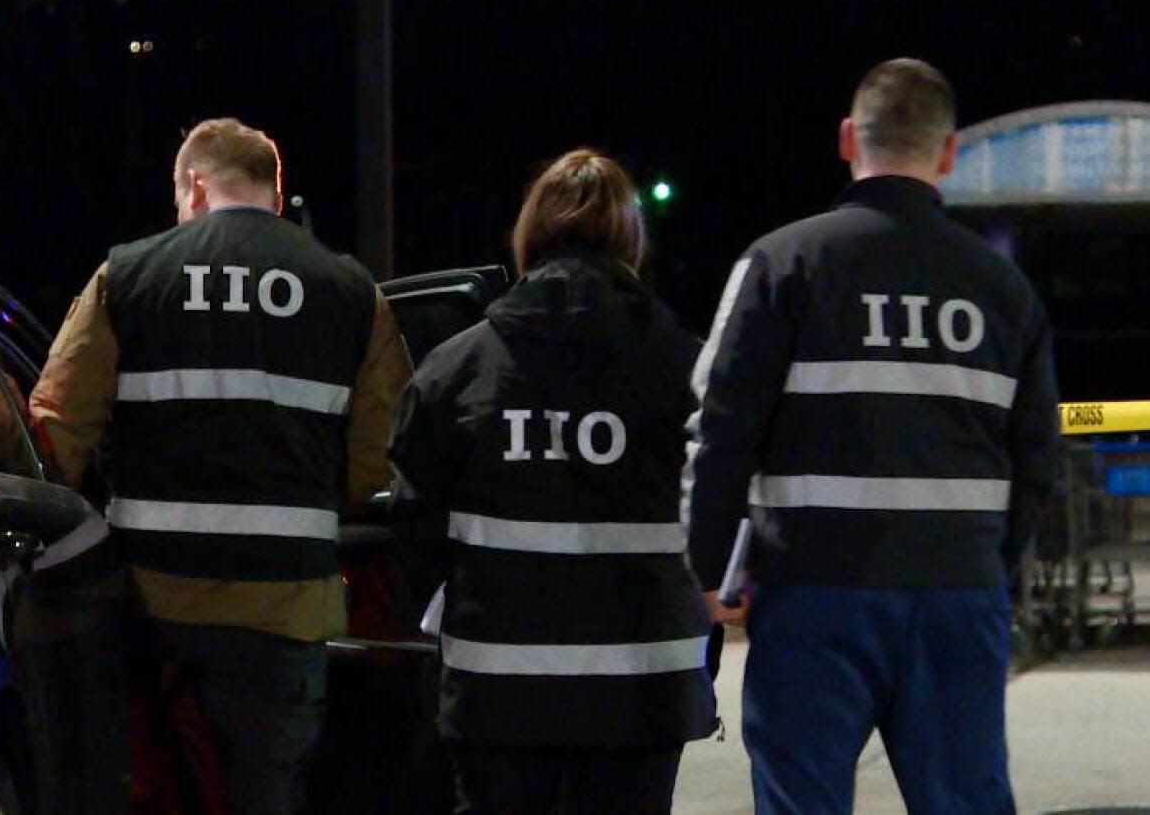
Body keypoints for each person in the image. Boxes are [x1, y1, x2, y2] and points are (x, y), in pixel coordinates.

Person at [683, 59, 1061, 814]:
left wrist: (706, 568)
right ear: (948, 154)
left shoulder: (781, 264)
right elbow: (1040, 459)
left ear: (849, 138)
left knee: (802, 799)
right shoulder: (1002, 288)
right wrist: (992, 569)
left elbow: (720, 429)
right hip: (957, 592)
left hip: (812, 591)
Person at [29, 117, 413, 814]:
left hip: (152, 606)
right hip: (286, 608)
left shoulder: (128, 275)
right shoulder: (350, 291)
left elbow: (55, 437)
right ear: (274, 191)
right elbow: (373, 470)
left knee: (157, 791)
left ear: (196, 187)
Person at [389, 149, 718, 814]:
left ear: (530, 237)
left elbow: (411, 529)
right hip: (645, 686)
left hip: (499, 690)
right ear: (630, 241)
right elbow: (718, 515)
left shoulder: (457, 368)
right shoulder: (689, 369)